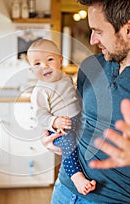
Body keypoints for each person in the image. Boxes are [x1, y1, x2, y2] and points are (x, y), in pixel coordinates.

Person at [41, 0, 130, 203]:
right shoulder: (90, 66)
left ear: (129, 29)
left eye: (98, 31)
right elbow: (79, 123)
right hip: (64, 189)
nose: (92, 40)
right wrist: (59, 139)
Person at [27, 39, 96, 195]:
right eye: (37, 64)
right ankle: (76, 177)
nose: (44, 66)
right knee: (67, 146)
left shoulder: (66, 78)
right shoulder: (40, 90)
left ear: (60, 60)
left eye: (49, 60)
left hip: (78, 118)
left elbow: (73, 97)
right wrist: (54, 121)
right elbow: (41, 114)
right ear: (32, 70)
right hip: (60, 128)